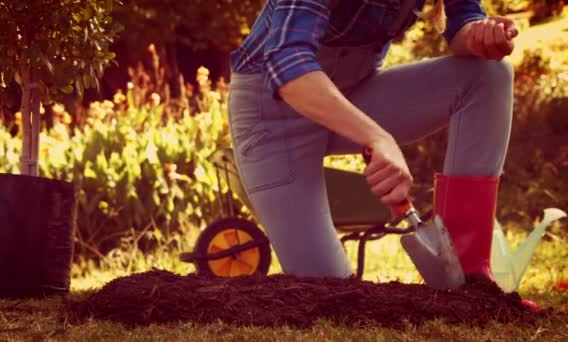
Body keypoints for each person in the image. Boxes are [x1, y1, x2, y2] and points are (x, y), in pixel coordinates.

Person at [227, 0, 531, 307]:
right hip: (274, 115)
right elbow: (286, 61)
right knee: (334, 300)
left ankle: (470, 282)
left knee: (489, 75)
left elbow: (462, 23)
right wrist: (375, 136)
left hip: (355, 93)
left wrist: (479, 34)